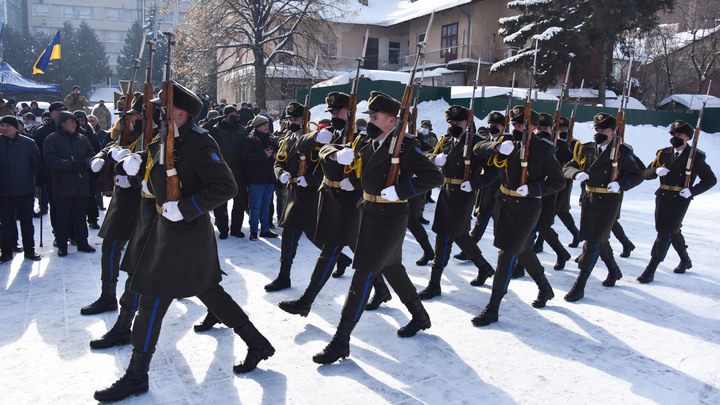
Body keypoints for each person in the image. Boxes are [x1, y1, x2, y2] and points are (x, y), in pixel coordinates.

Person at [94, 81, 274, 402]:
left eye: (162, 109)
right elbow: (156, 175)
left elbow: (226, 186)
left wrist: (187, 208)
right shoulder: (166, 137)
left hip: (185, 234)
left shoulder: (198, 142)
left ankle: (136, 376)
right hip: (165, 230)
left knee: (150, 300)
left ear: (179, 112)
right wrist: (134, 168)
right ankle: (257, 343)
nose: (157, 113)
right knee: (209, 293)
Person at [312, 91, 443, 364]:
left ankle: (341, 340)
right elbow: (338, 157)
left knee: (362, 275)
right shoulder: (367, 142)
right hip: (368, 211)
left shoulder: (405, 147)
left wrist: (403, 190)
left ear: (392, 120)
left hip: (390, 217)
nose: (369, 120)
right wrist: (348, 171)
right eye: (370, 115)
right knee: (393, 269)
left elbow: (434, 176)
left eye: (375, 116)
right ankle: (420, 316)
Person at [278, 91, 386, 317]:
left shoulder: (363, 134)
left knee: (330, 250)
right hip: (331, 198)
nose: (334, 115)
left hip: (351, 202)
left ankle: (306, 301)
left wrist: (354, 182)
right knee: (359, 251)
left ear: (351, 111)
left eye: (338, 111)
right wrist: (317, 139)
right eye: (332, 112)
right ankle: (383, 290)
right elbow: (301, 146)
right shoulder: (331, 132)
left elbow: (372, 168)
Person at [470, 106, 565, 326]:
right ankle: (545, 287)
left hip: (527, 208)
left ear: (532, 126)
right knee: (522, 249)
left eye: (522, 124)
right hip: (504, 203)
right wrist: (496, 146)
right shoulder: (506, 144)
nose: (517, 128)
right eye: (514, 124)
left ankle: (493, 307)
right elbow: (477, 148)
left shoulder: (542, 149)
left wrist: (533, 189)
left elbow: (558, 181)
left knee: (508, 252)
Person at [562, 112, 644, 302]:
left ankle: (579, 286)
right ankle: (614, 271)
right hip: (590, 199)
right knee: (600, 239)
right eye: (596, 129)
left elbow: (638, 175)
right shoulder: (587, 148)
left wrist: (621, 184)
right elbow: (568, 166)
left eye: (603, 130)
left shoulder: (622, 152)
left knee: (592, 242)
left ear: (613, 132)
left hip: (609, 201)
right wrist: (575, 174)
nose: (598, 133)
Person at [417, 105, 495, 300]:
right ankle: (485, 268)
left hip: (463, 195)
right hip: (446, 193)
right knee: (460, 236)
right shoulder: (446, 141)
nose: (453, 126)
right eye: (450, 123)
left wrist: (476, 184)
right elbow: (425, 155)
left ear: (468, 123)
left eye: (457, 123)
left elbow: (495, 171)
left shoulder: (477, 142)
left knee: (443, 237)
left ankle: (434, 284)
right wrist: (436, 158)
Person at [79, 100, 144, 316]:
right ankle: (108, 296)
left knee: (148, 252)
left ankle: (163, 288)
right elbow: (110, 147)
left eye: (136, 115)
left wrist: (133, 179)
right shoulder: (125, 132)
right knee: (110, 247)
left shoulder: (159, 136)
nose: (132, 119)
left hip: (147, 201)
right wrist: (99, 157)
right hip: (124, 200)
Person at [637, 120, 716, 283]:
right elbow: (645, 173)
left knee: (664, 234)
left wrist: (693, 190)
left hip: (680, 198)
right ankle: (685, 260)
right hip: (663, 196)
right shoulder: (664, 153)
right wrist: (655, 170)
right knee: (671, 230)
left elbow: (710, 179)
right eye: (673, 135)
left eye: (679, 135)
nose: (674, 138)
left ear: (687, 138)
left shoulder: (695, 156)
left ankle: (651, 269)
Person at [266, 102, 328, 291]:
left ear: (305, 120)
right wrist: (280, 174)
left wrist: (311, 179)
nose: (292, 122)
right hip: (292, 191)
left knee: (290, 231)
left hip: (309, 194)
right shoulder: (288, 139)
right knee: (311, 233)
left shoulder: (315, 139)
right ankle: (340, 259)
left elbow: (325, 166)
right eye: (290, 119)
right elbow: (279, 162)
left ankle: (284, 276)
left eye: (296, 119)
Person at [42, 111, 97, 257]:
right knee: (63, 217)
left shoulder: (82, 138)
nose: (75, 124)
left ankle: (82, 242)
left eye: (75, 122)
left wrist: (84, 163)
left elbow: (91, 154)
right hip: (62, 185)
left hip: (81, 184)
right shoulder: (52, 139)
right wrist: (69, 165)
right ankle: (62, 245)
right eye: (71, 122)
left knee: (80, 216)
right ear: (62, 123)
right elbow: (50, 159)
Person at [455, 112, 506, 262]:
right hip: (487, 189)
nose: (492, 128)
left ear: (503, 127)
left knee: (501, 228)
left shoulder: (508, 142)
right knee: (481, 219)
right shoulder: (485, 141)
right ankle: (469, 251)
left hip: (502, 190)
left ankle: (513, 260)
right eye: (490, 126)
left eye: (495, 126)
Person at [531, 113, 572, 270]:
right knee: (532, 227)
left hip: (549, 191)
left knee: (543, 226)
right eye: (539, 128)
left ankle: (561, 252)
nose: (542, 131)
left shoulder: (559, 145)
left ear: (551, 129)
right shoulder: (534, 144)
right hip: (533, 189)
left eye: (545, 128)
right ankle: (522, 264)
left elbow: (570, 162)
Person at [0, 116, 42, 262]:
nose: (4, 128)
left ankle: (30, 251)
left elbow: (36, 163)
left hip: (25, 190)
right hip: (3, 192)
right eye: (2, 125)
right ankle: (6, 252)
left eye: (7, 126)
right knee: (5, 224)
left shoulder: (28, 143)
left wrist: (39, 179)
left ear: (16, 127)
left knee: (27, 223)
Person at [209, 105, 249, 239]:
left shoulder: (242, 129)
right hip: (222, 171)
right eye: (231, 113)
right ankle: (223, 229)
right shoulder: (217, 129)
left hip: (240, 171)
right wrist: (215, 120)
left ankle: (236, 229)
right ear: (225, 115)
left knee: (239, 202)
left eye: (235, 113)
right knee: (221, 203)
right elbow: (203, 131)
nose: (234, 115)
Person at [241, 114, 279, 240]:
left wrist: (275, 155)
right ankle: (253, 231)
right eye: (264, 125)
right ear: (257, 127)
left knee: (266, 205)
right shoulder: (249, 140)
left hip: (269, 177)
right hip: (256, 179)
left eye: (267, 124)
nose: (266, 127)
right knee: (255, 206)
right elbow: (246, 157)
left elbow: (278, 153)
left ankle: (265, 229)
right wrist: (263, 155)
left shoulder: (271, 139)